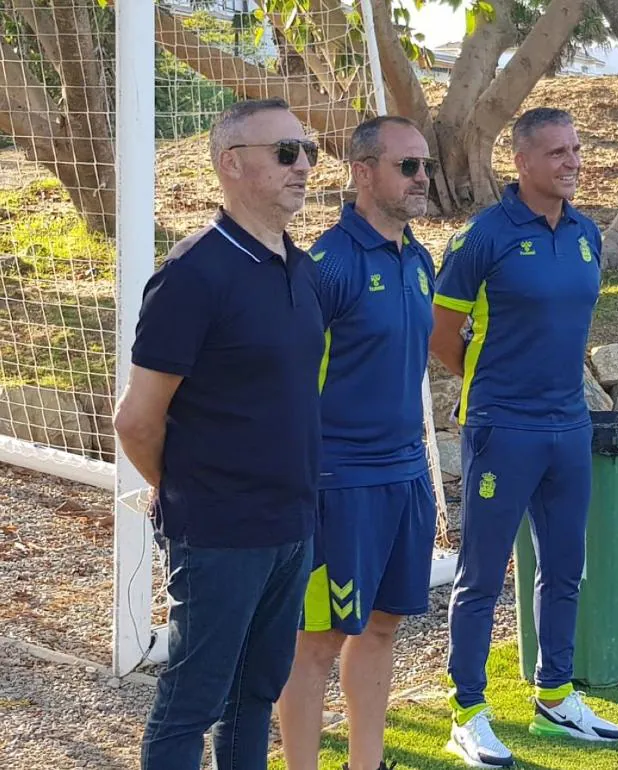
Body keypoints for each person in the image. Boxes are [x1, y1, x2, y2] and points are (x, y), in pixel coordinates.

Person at [114, 98, 324, 770]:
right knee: (192, 704)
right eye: (286, 152)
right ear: (233, 165)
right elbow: (136, 420)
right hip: (219, 532)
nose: (305, 165)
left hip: (290, 526)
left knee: (254, 696)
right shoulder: (192, 275)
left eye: (308, 149)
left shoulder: (300, 267)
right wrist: (181, 492)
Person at [429, 107, 618, 768]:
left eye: (576, 149)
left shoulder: (587, 234)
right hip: (501, 427)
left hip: (568, 425)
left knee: (566, 565)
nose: (572, 162)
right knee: (482, 574)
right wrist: (495, 387)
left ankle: (555, 696)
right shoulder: (483, 237)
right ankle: (467, 712)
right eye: (557, 153)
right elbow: (441, 332)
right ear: (522, 161)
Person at [276, 115, 439, 770]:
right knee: (317, 640)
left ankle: (365, 764)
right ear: (363, 172)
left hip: (407, 476)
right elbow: (283, 382)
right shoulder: (327, 266)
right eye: (408, 166)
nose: (422, 177)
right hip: (340, 485)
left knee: (382, 625)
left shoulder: (421, 260)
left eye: (425, 165)